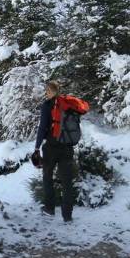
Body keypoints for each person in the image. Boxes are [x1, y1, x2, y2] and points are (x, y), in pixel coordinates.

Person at [33, 80, 89, 222]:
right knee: (67, 181)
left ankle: (49, 208)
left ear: (52, 91)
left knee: (47, 177)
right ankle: (67, 215)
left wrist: (37, 147)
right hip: (68, 147)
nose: (46, 93)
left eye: (47, 90)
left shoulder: (47, 106)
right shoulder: (68, 104)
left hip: (51, 147)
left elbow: (42, 127)